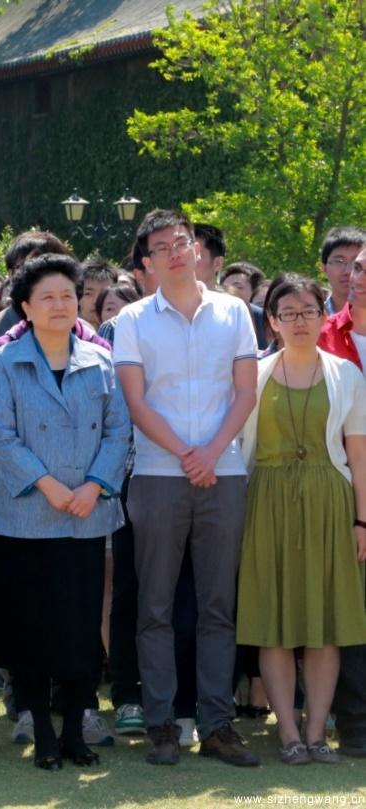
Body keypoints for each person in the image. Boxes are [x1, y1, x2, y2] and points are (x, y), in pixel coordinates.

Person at [113, 209, 260, 767]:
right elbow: (136, 400)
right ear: (146, 262)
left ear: (197, 247)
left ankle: (217, 724)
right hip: (156, 474)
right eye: (162, 246)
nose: (176, 251)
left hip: (224, 473)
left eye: (183, 240)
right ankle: (161, 726)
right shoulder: (132, 319)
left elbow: (244, 393)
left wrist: (212, 452)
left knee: (219, 606)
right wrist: (185, 454)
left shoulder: (235, 313)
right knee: (155, 605)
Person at [0, 254, 130, 770]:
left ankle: (75, 728)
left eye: (68, 295)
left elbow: (118, 431)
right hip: (25, 517)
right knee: (30, 628)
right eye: (46, 297)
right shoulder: (6, 361)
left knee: (79, 626)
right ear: (25, 306)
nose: (60, 304)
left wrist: (94, 486)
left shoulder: (100, 360)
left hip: (85, 516)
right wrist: (47, 485)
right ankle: (41, 731)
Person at [236, 274, 366, 765]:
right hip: (265, 503)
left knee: (324, 623)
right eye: (287, 312)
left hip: (330, 504)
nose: (299, 321)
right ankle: (287, 732)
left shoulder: (346, 375)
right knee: (274, 621)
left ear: (322, 314)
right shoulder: (255, 373)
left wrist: (362, 523)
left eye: (309, 310)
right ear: (271, 321)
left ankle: (317, 733)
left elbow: (358, 455)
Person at [318, 244, 366, 758]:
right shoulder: (325, 334)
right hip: (341, 492)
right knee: (354, 616)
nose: (359, 276)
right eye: (356, 267)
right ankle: (354, 724)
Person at [320, 227, 366, 315]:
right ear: (324, 268)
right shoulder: (313, 319)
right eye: (339, 261)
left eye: (356, 264)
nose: (348, 271)